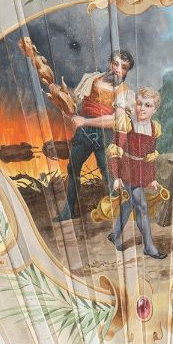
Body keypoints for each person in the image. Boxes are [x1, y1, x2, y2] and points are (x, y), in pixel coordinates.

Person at [55, 50, 135, 221]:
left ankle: (117, 212)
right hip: (83, 133)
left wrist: (84, 121)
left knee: (109, 174)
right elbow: (77, 103)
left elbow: (115, 120)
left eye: (123, 67)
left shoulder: (123, 91)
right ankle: (68, 211)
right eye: (115, 64)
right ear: (109, 63)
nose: (117, 69)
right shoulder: (92, 78)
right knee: (72, 169)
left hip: (105, 134)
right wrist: (64, 99)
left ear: (126, 71)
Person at [108, 86, 166, 259]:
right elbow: (115, 152)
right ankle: (149, 247)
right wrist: (116, 176)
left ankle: (115, 234)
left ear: (155, 109)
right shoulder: (127, 124)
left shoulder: (154, 128)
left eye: (148, 105)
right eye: (139, 104)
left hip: (140, 171)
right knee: (142, 206)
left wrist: (152, 178)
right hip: (126, 170)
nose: (142, 108)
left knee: (128, 205)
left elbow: (150, 156)